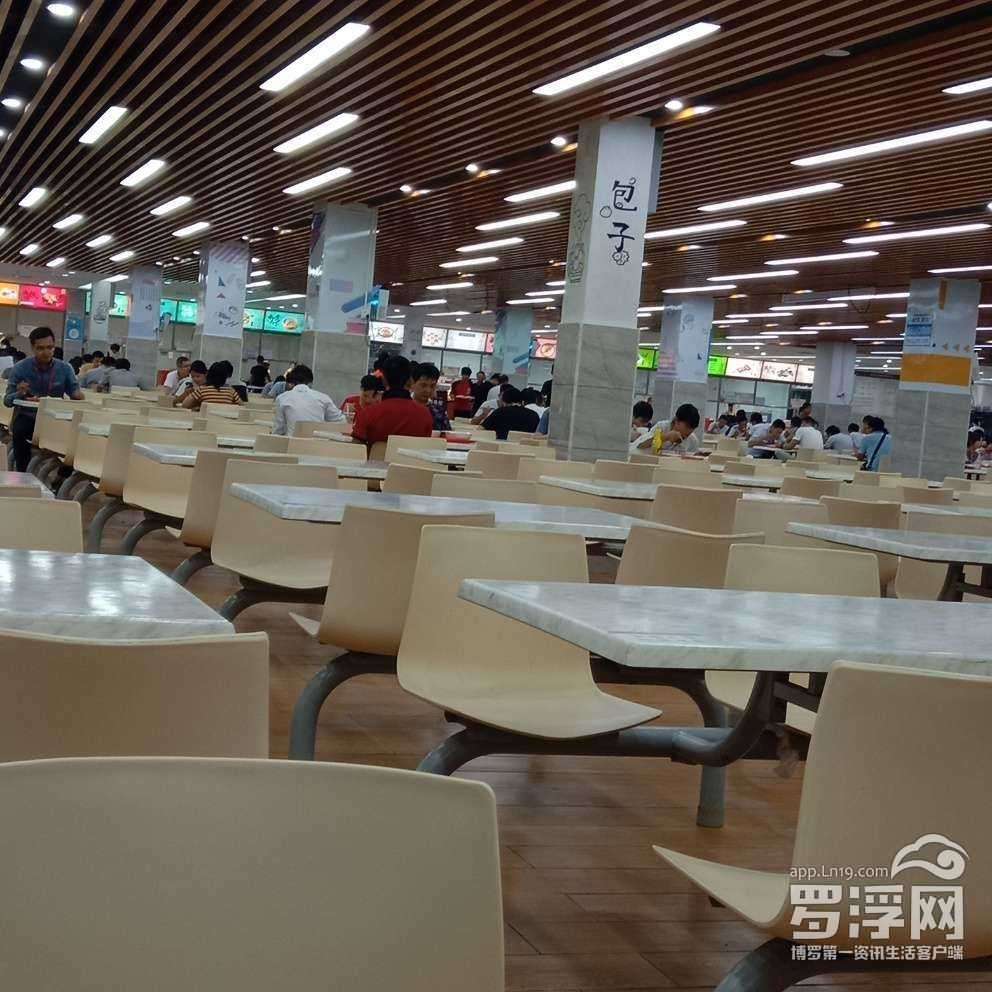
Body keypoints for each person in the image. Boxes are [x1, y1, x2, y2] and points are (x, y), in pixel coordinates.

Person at [4, 326, 83, 471]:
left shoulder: (65, 368)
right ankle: (22, 472)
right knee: (19, 430)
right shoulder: (21, 368)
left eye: (50, 347)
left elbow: (77, 396)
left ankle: (62, 476)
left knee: (77, 438)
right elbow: (7, 401)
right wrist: (20, 393)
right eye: (40, 348)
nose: (46, 352)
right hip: (29, 417)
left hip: (56, 419)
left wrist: (78, 396)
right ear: (32, 348)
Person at [352, 354, 432, 446]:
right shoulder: (425, 415)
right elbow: (424, 448)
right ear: (410, 380)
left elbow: (356, 449)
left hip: (375, 455)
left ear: (384, 380)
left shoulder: (368, 413)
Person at [272, 364, 345, 436]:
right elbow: (341, 420)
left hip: (292, 441)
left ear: (292, 382)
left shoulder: (282, 398)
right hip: (317, 441)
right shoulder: (323, 398)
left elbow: (278, 430)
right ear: (310, 382)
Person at [630, 402, 700, 454]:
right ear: (676, 421)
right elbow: (641, 446)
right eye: (682, 434)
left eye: (686, 436)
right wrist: (664, 437)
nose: (683, 438)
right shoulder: (661, 427)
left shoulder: (693, 440)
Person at [410, 362, 451, 432]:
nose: (428, 390)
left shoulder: (438, 411)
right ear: (413, 383)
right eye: (423, 385)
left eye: (432, 386)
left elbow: (447, 434)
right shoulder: (404, 408)